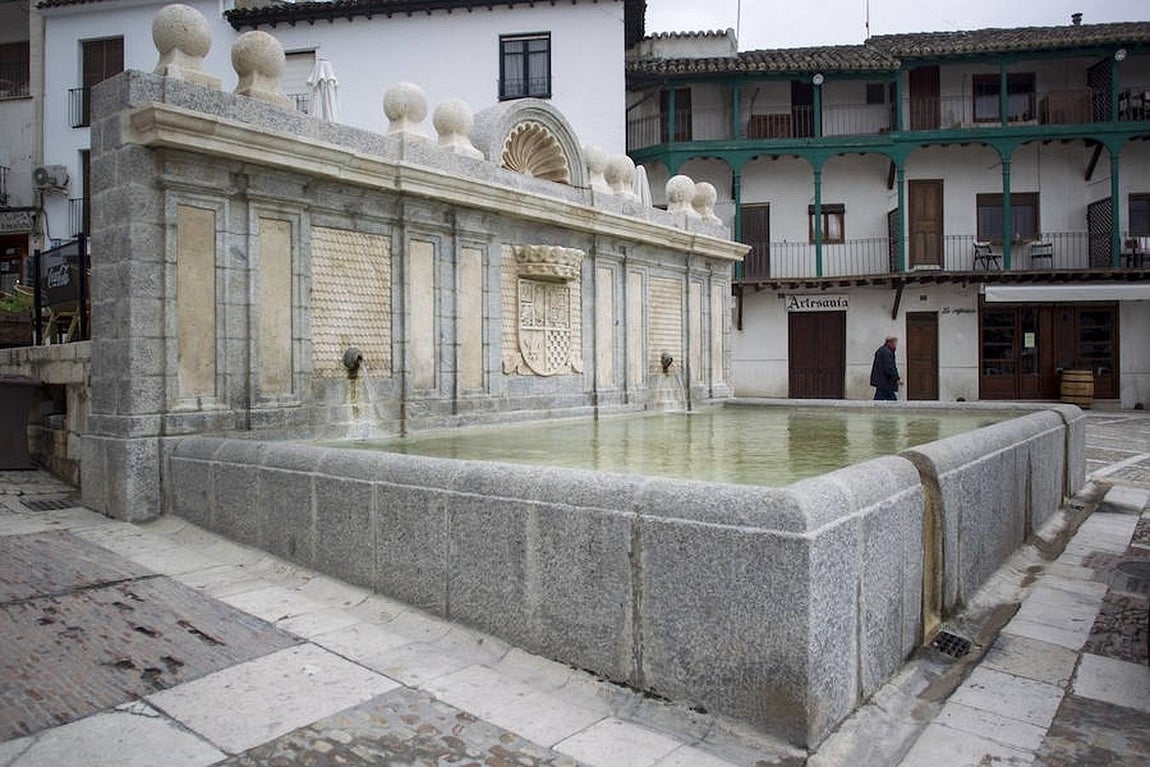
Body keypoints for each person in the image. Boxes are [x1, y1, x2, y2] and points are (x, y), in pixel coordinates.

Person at [870, 335, 900, 401]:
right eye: (895, 343)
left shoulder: (882, 350)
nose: (895, 345)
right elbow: (889, 367)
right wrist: (896, 378)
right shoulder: (887, 352)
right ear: (889, 342)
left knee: (881, 397)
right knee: (891, 400)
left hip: (882, 381)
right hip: (885, 381)